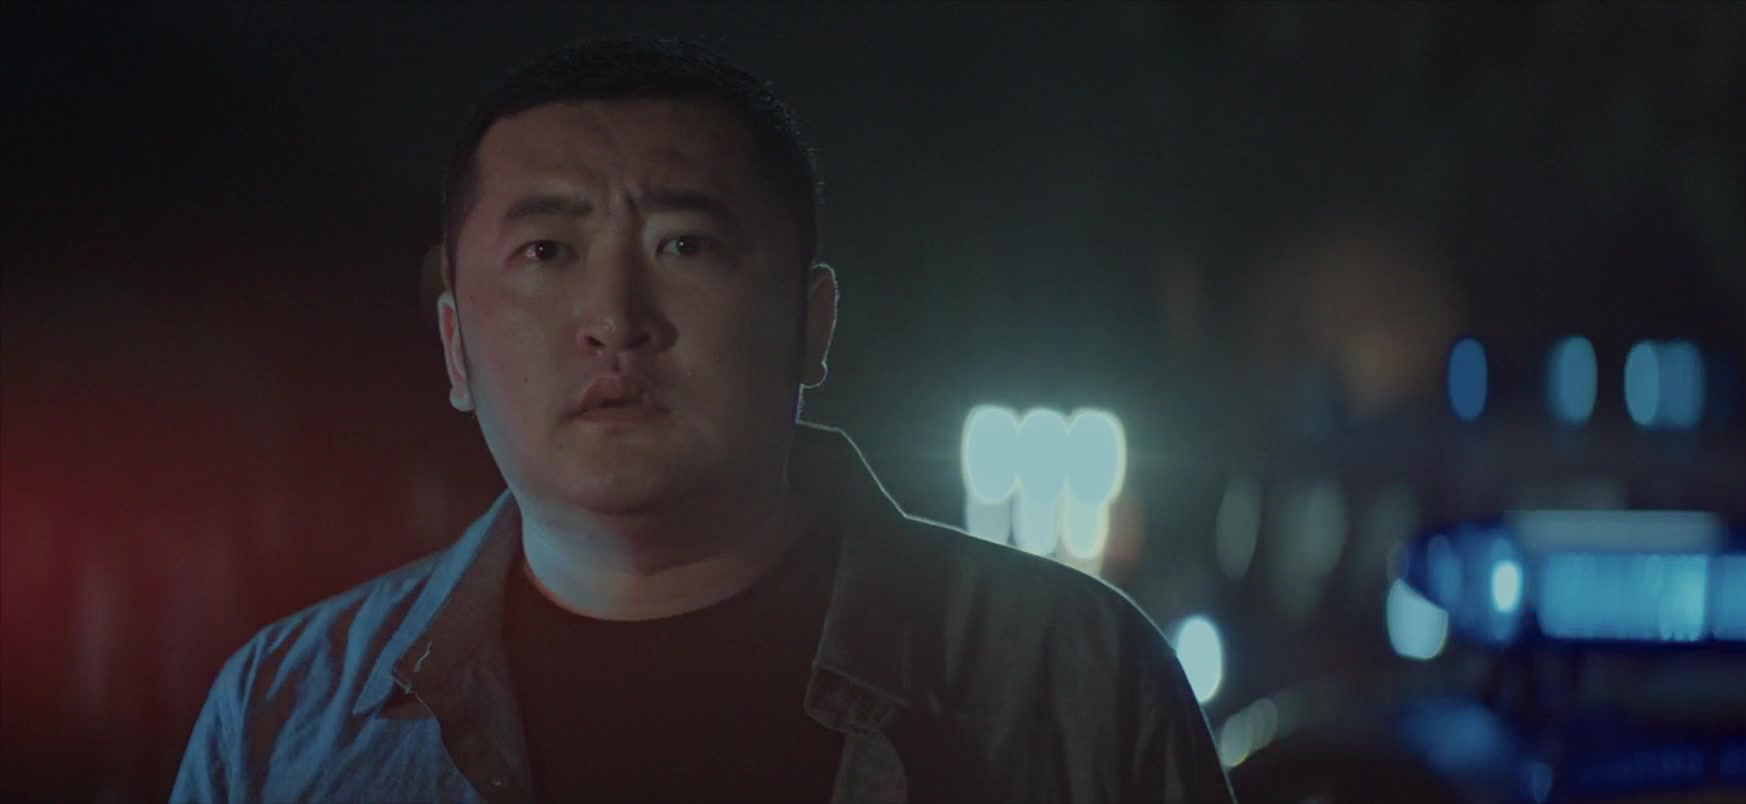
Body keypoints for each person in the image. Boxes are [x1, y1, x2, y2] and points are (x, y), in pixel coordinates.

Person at [170, 36, 1234, 803]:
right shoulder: (286, 716)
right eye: (546, 252)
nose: (615, 320)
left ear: (812, 324)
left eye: (685, 245)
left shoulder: (1072, 680)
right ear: (456, 347)